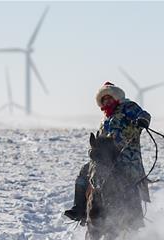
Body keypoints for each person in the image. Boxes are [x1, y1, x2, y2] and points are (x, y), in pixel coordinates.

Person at [64, 82, 152, 224]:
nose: (106, 101)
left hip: (126, 158)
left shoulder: (127, 107)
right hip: (105, 158)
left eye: (109, 98)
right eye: (103, 99)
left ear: (116, 97)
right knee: (85, 171)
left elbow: (143, 114)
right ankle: (79, 208)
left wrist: (143, 120)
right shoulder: (105, 118)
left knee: (130, 180)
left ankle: (134, 218)